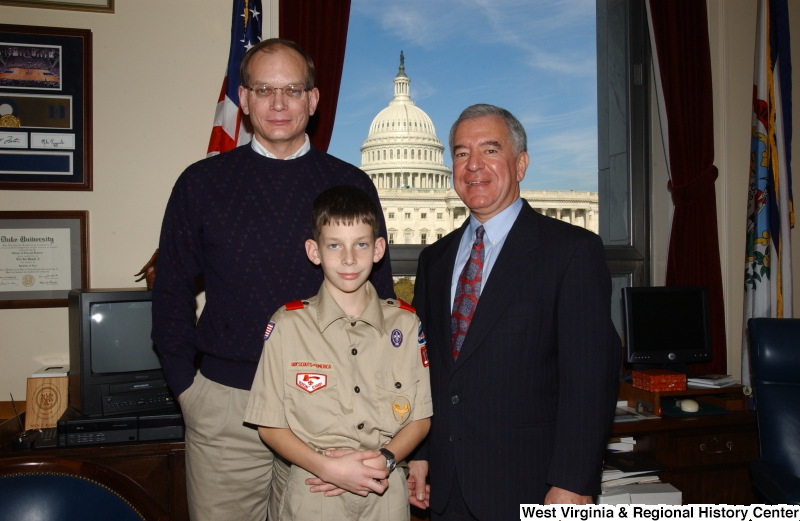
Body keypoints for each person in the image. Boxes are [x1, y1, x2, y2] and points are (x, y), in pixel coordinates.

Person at [151, 40, 394, 521]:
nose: (279, 103)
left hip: (331, 411)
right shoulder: (200, 184)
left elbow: (380, 303)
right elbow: (171, 294)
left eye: (292, 89)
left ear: (313, 99)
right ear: (243, 100)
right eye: (264, 89)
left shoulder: (350, 185)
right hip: (226, 411)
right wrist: (189, 393)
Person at [407, 104, 620, 519]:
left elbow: (590, 378)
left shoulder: (571, 251)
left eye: (490, 150)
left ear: (520, 163)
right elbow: (425, 367)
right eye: (461, 153)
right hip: (448, 487)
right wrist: (420, 453)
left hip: (533, 484)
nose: (473, 166)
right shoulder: (434, 259)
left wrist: (574, 482)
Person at [244, 185, 432, 521]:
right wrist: (328, 467)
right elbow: (269, 424)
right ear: (314, 251)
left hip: (384, 491)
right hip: (313, 488)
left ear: (378, 249)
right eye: (334, 245)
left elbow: (420, 418)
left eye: (360, 244)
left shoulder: (405, 324)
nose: (348, 258)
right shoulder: (288, 325)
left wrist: (386, 459)